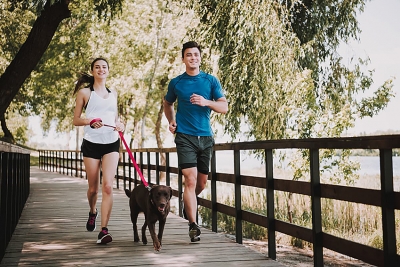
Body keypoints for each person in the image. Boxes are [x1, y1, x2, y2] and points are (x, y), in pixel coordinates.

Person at [163, 41, 228, 242]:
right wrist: (171, 121)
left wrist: (206, 102)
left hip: (206, 138)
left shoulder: (210, 81)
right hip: (184, 137)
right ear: (183, 59)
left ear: (200, 57)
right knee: (189, 181)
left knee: (201, 183)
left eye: (196, 54)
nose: (193, 57)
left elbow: (224, 107)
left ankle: (187, 202)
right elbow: (167, 103)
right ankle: (193, 225)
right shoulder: (177, 82)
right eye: (189, 55)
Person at [73, 57, 125, 244]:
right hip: (91, 143)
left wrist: (121, 125)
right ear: (93, 71)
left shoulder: (114, 93)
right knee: (93, 189)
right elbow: (76, 120)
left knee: (108, 186)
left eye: (104, 67)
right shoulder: (85, 93)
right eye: (97, 67)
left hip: (111, 142)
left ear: (108, 71)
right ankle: (92, 211)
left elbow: (116, 117)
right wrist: (90, 121)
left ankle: (104, 230)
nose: (101, 69)